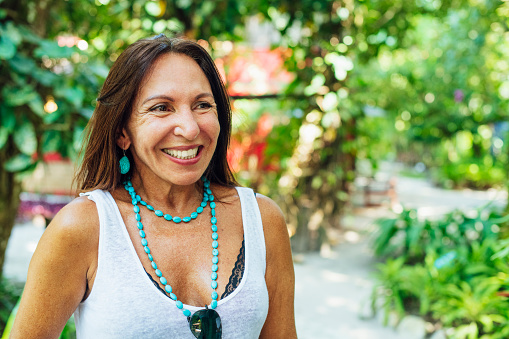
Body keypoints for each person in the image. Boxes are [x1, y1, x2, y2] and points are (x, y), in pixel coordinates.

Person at [10, 35, 297, 338]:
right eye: (161, 108)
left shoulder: (262, 221)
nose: (189, 128)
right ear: (122, 133)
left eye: (202, 105)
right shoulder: (83, 228)